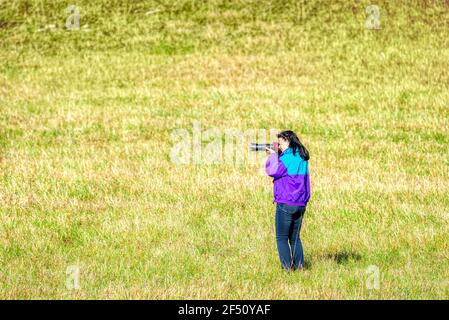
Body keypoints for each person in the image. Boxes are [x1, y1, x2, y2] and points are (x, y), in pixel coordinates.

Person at [265, 130, 310, 271]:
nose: (279, 145)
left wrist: (273, 156)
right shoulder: (302, 157)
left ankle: (287, 269)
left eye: (280, 143)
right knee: (295, 238)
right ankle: (300, 268)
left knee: (282, 238)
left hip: (285, 202)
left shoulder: (286, 158)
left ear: (288, 141)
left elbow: (273, 171)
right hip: (300, 203)